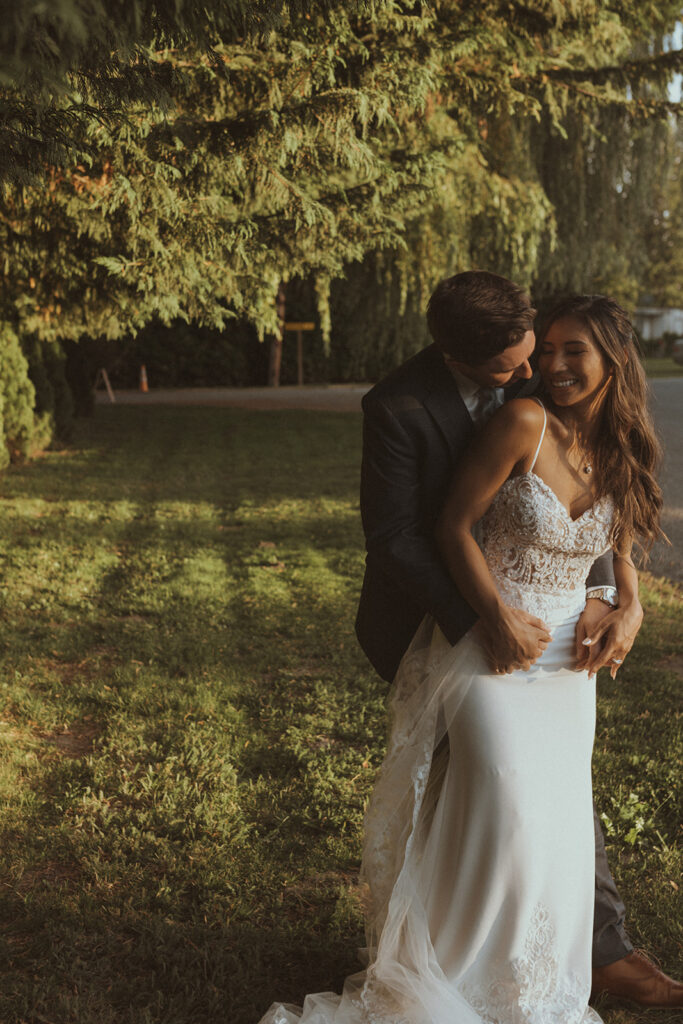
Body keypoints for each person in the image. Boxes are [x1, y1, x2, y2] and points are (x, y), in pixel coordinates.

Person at [257, 284, 680, 1024]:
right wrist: (486, 619)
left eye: (556, 350)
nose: (539, 369)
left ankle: (567, 961)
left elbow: (618, 529)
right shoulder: (409, 406)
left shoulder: (598, 422)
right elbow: (405, 536)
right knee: (501, 800)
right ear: (459, 356)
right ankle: (450, 965)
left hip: (564, 658)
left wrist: (621, 599)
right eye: (526, 359)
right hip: (464, 627)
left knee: (554, 811)